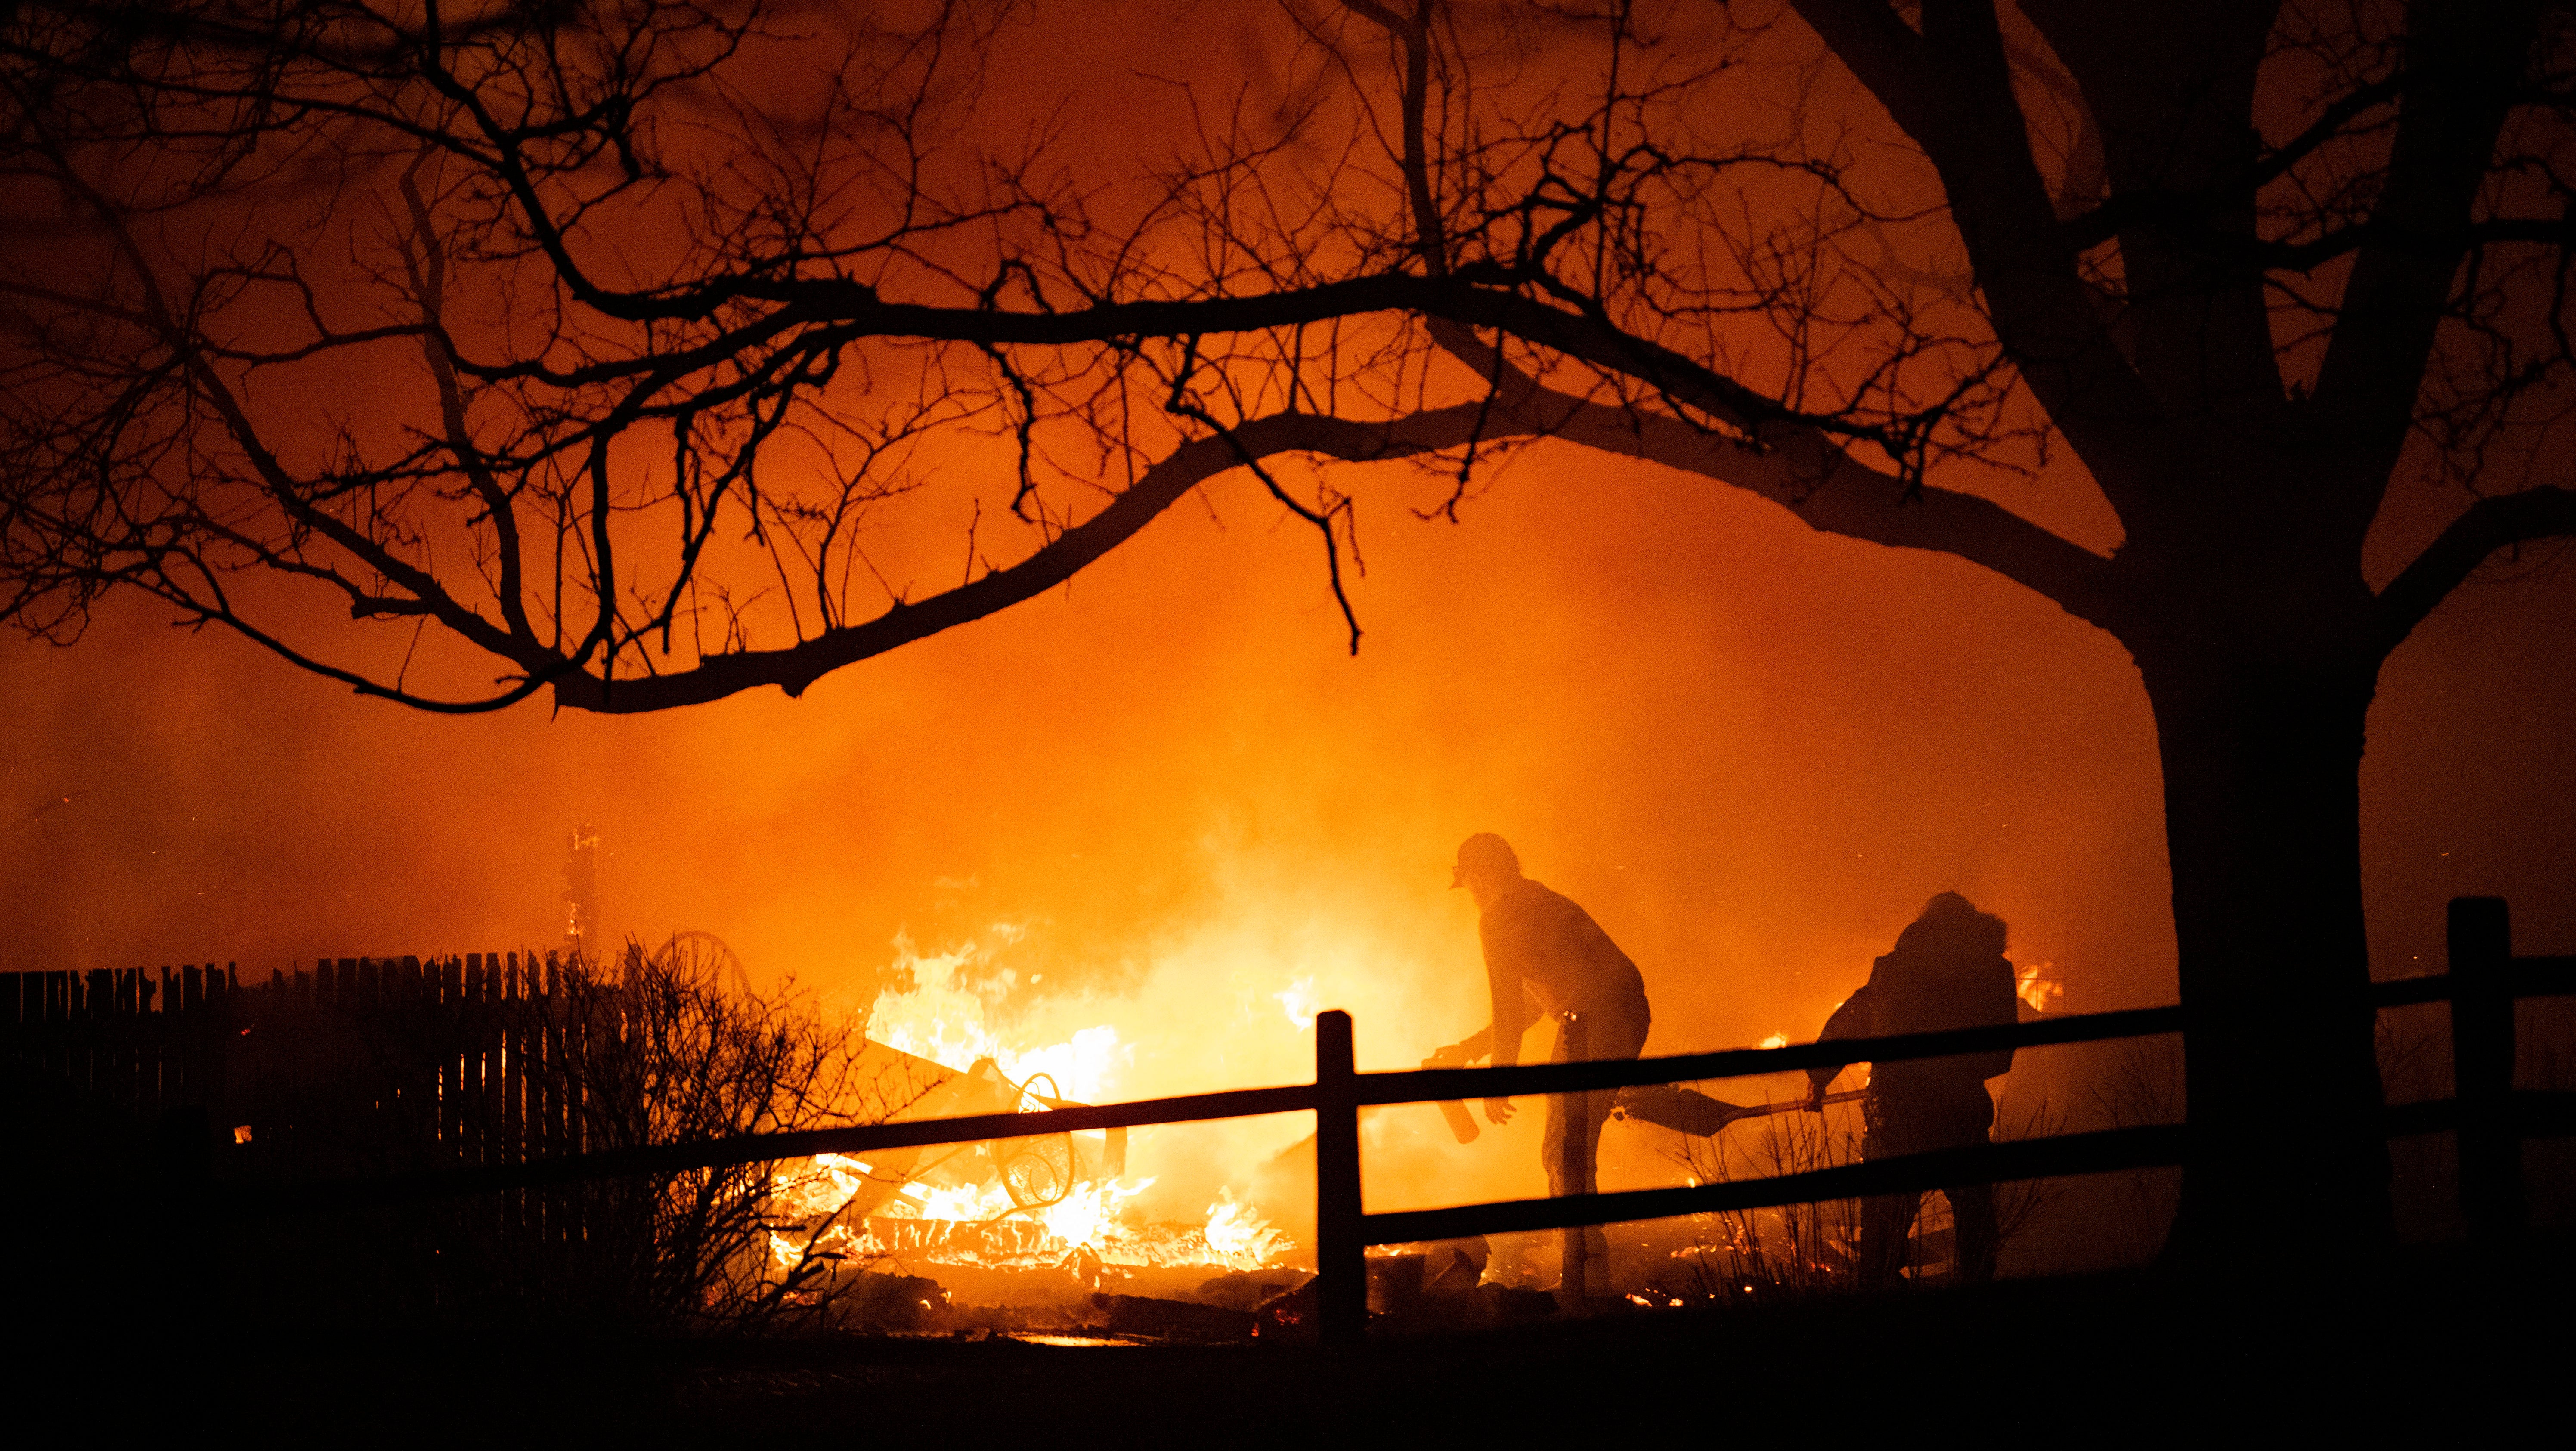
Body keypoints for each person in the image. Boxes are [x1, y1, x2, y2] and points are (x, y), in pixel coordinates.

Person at [1432, 832, 1651, 1304]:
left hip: (1595, 1018)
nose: (1469, 894)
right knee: (1567, 1144)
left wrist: (1499, 1080)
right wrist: (1470, 1049)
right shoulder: (1535, 900)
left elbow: (1510, 1006)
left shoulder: (1497, 917)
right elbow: (1535, 1002)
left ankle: (1587, 1282)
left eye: (1468, 882)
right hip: (1617, 1010)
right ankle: (1585, 1272)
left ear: (1476, 877)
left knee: (1563, 1149)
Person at [1803, 891, 2020, 1287]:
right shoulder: (1993, 973)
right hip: (1961, 1120)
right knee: (1978, 1239)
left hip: (1895, 1119)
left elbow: (1854, 1020)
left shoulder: (1894, 969)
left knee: (1881, 1247)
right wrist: (1954, 1071)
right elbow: (2000, 1055)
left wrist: (1818, 1077)